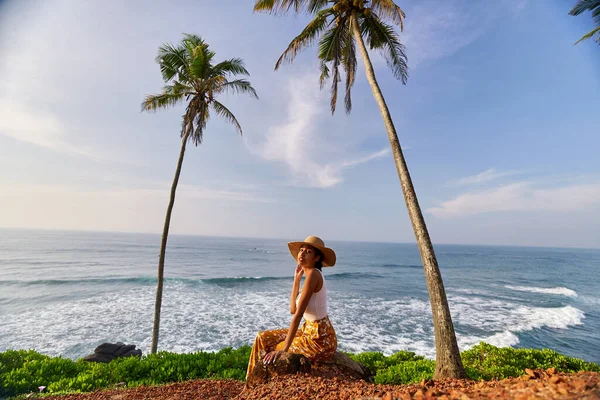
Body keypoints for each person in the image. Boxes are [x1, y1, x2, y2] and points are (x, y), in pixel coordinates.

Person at [246, 236, 338, 379]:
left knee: (275, 348)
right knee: (261, 338)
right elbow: (292, 310)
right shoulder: (308, 276)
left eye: (308, 251)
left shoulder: (314, 274)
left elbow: (298, 314)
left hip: (319, 339)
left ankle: (257, 384)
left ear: (317, 258)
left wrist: (284, 349)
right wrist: (296, 280)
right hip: (307, 331)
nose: (302, 254)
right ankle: (251, 381)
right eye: (301, 250)